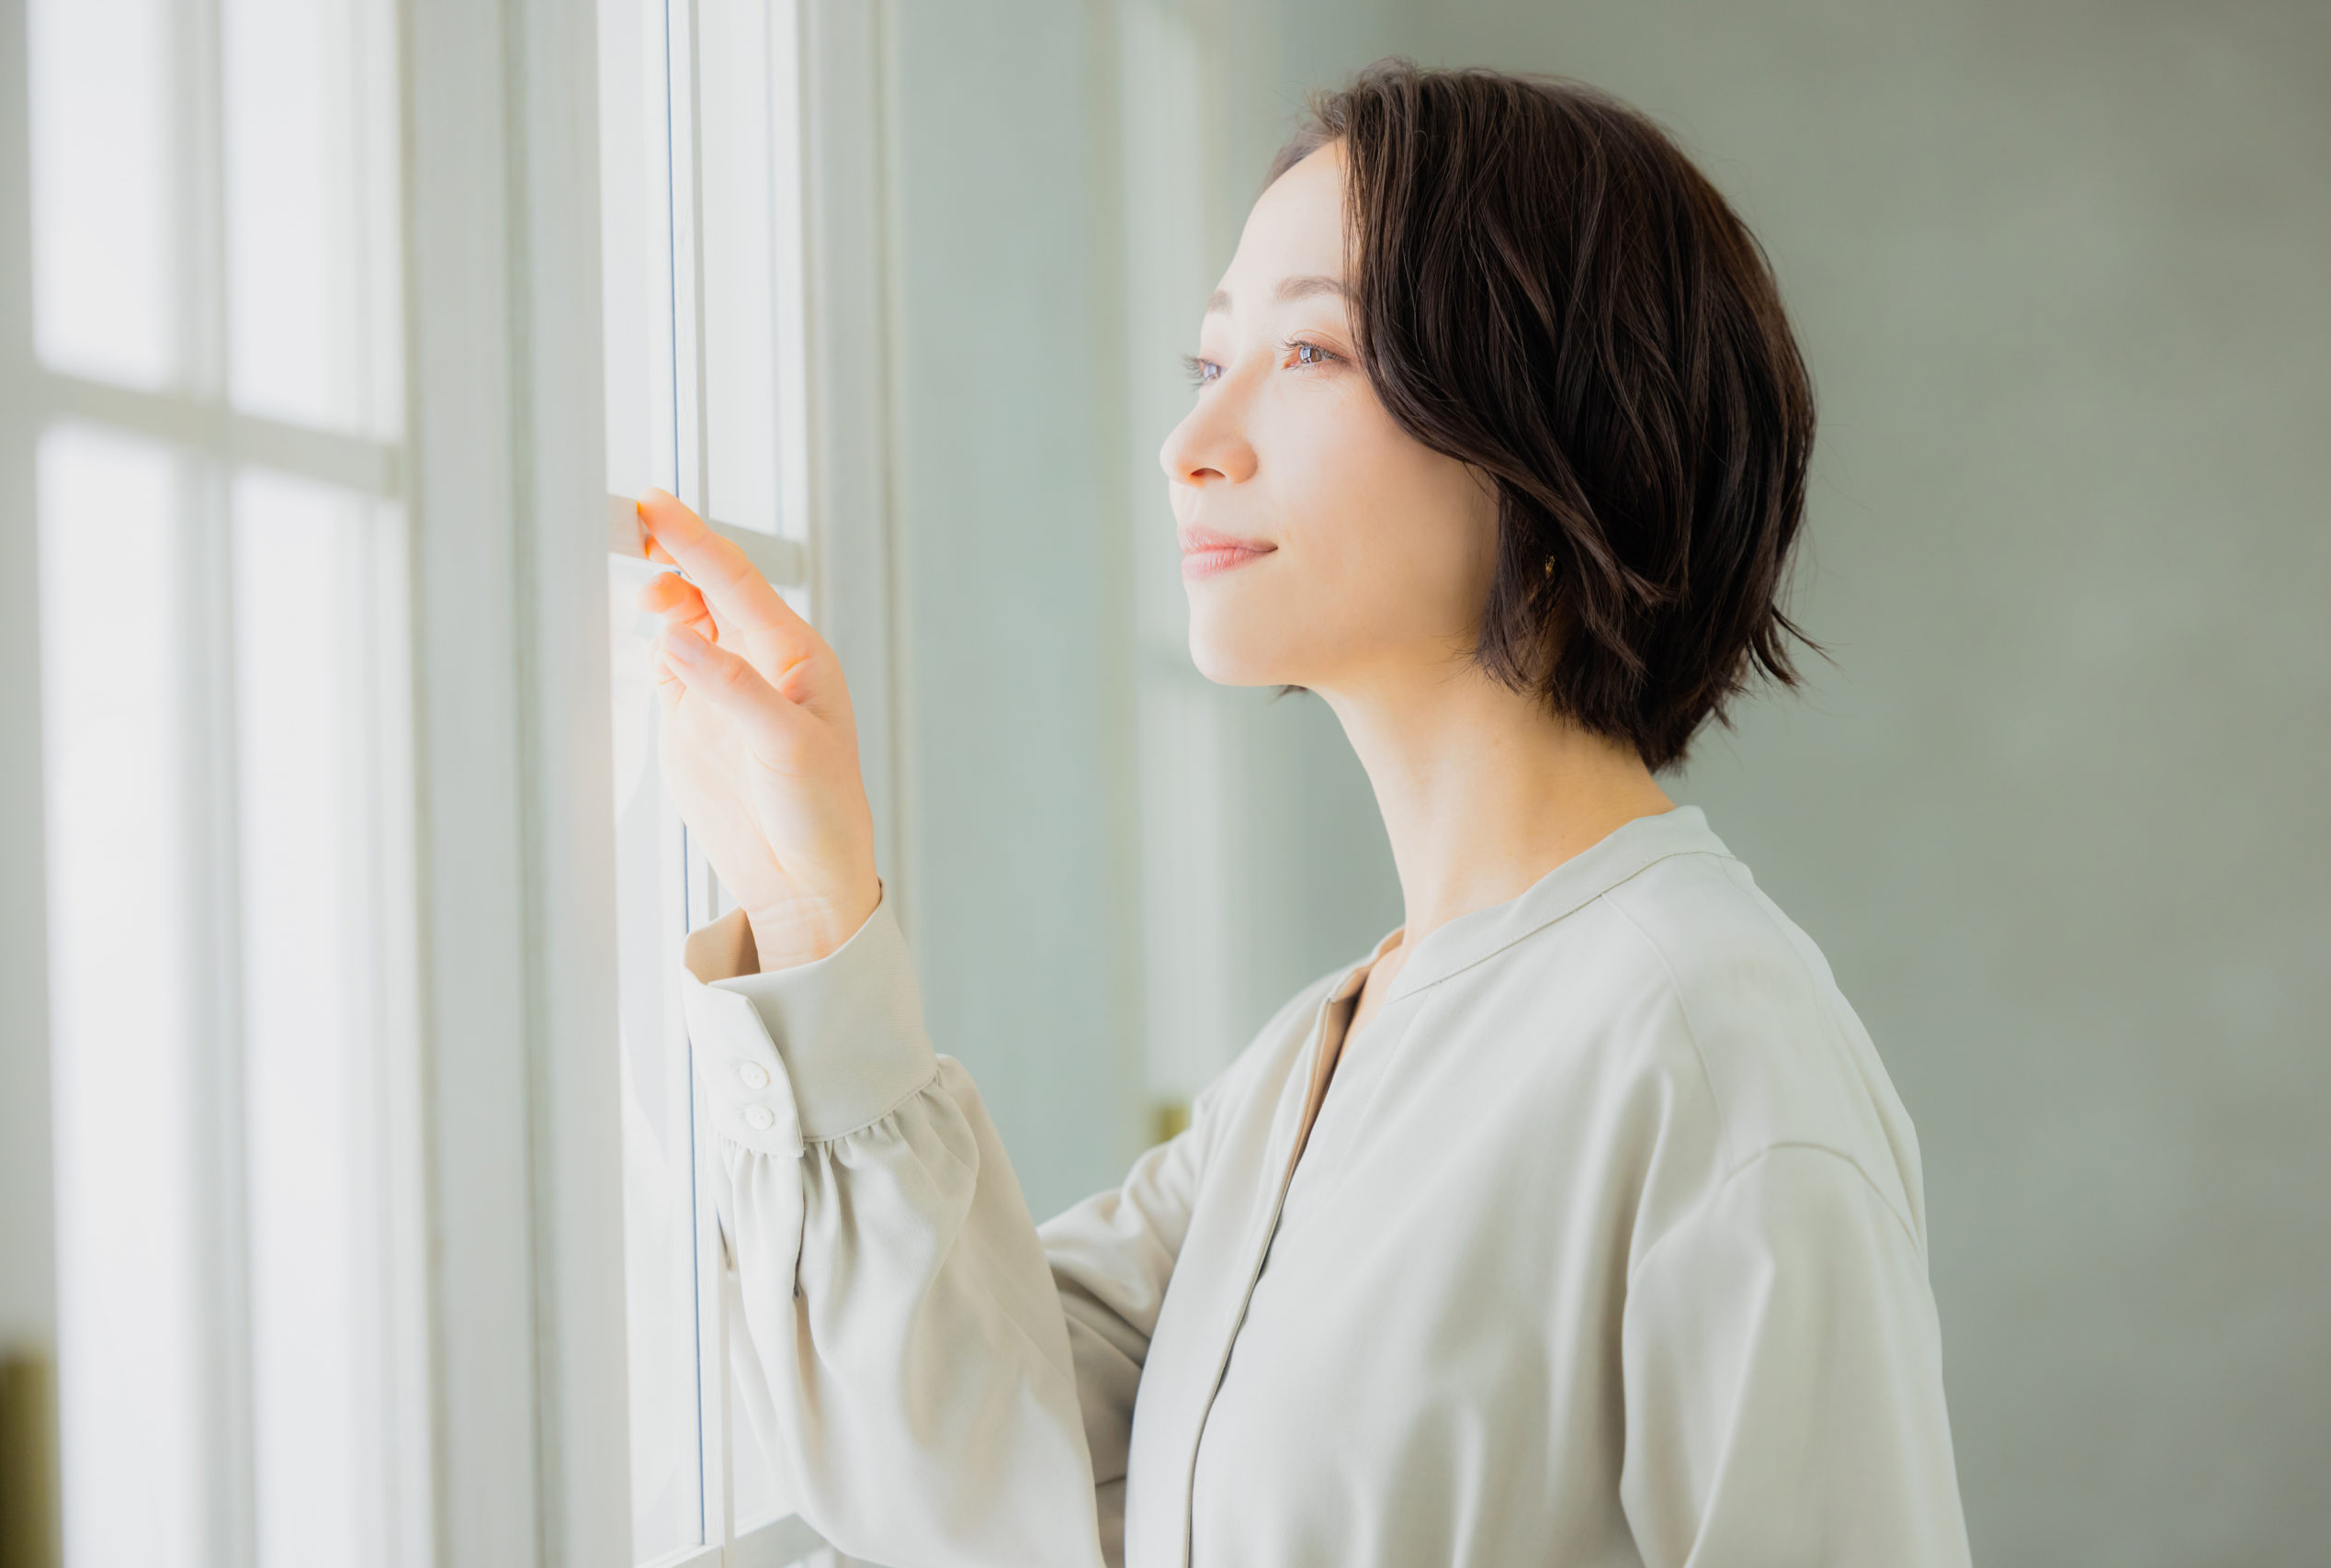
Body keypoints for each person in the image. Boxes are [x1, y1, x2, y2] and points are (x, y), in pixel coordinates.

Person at [636, 61, 1972, 1568]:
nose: (1191, 441)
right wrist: (810, 901)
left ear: (1558, 421)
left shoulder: (1706, 1043)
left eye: (1314, 352)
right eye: (1208, 359)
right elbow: (953, 1475)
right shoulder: (1317, 1064)